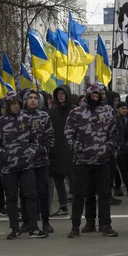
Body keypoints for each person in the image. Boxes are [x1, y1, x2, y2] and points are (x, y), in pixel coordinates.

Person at [65, 84, 119, 238]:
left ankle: (105, 225)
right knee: (79, 195)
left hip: (102, 161)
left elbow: (114, 133)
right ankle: (76, 226)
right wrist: (77, 148)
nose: (95, 98)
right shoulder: (76, 113)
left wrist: (108, 149)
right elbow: (69, 134)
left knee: (104, 194)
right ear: (87, 96)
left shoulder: (107, 111)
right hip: (82, 161)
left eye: (97, 96)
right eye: (92, 96)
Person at [0, 95, 44, 240]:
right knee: (12, 198)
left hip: (26, 165)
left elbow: (34, 142)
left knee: (31, 196)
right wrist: (6, 158)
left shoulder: (26, 120)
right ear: (8, 105)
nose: (16, 106)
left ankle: (33, 228)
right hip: (8, 167)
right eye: (13, 104)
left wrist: (29, 155)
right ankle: (14, 228)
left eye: (18, 104)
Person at [21, 88, 55, 234]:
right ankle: (27, 221)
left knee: (43, 193)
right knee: (25, 193)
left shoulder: (44, 116)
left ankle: (46, 221)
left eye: (35, 98)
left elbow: (50, 138)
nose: (33, 100)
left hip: (41, 161)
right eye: (30, 98)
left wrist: (42, 150)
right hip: (24, 163)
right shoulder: (20, 116)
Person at [48, 86, 75, 219]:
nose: (60, 96)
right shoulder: (52, 112)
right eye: (58, 94)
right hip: (56, 149)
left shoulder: (74, 111)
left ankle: (76, 206)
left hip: (70, 149)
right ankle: (63, 206)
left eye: (63, 93)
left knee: (73, 179)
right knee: (58, 178)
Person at [114, 102, 128, 197]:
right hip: (119, 148)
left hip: (126, 147)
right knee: (123, 170)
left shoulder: (126, 119)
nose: (125, 110)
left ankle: (118, 188)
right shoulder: (115, 120)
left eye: (126, 108)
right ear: (117, 109)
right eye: (122, 108)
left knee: (124, 169)